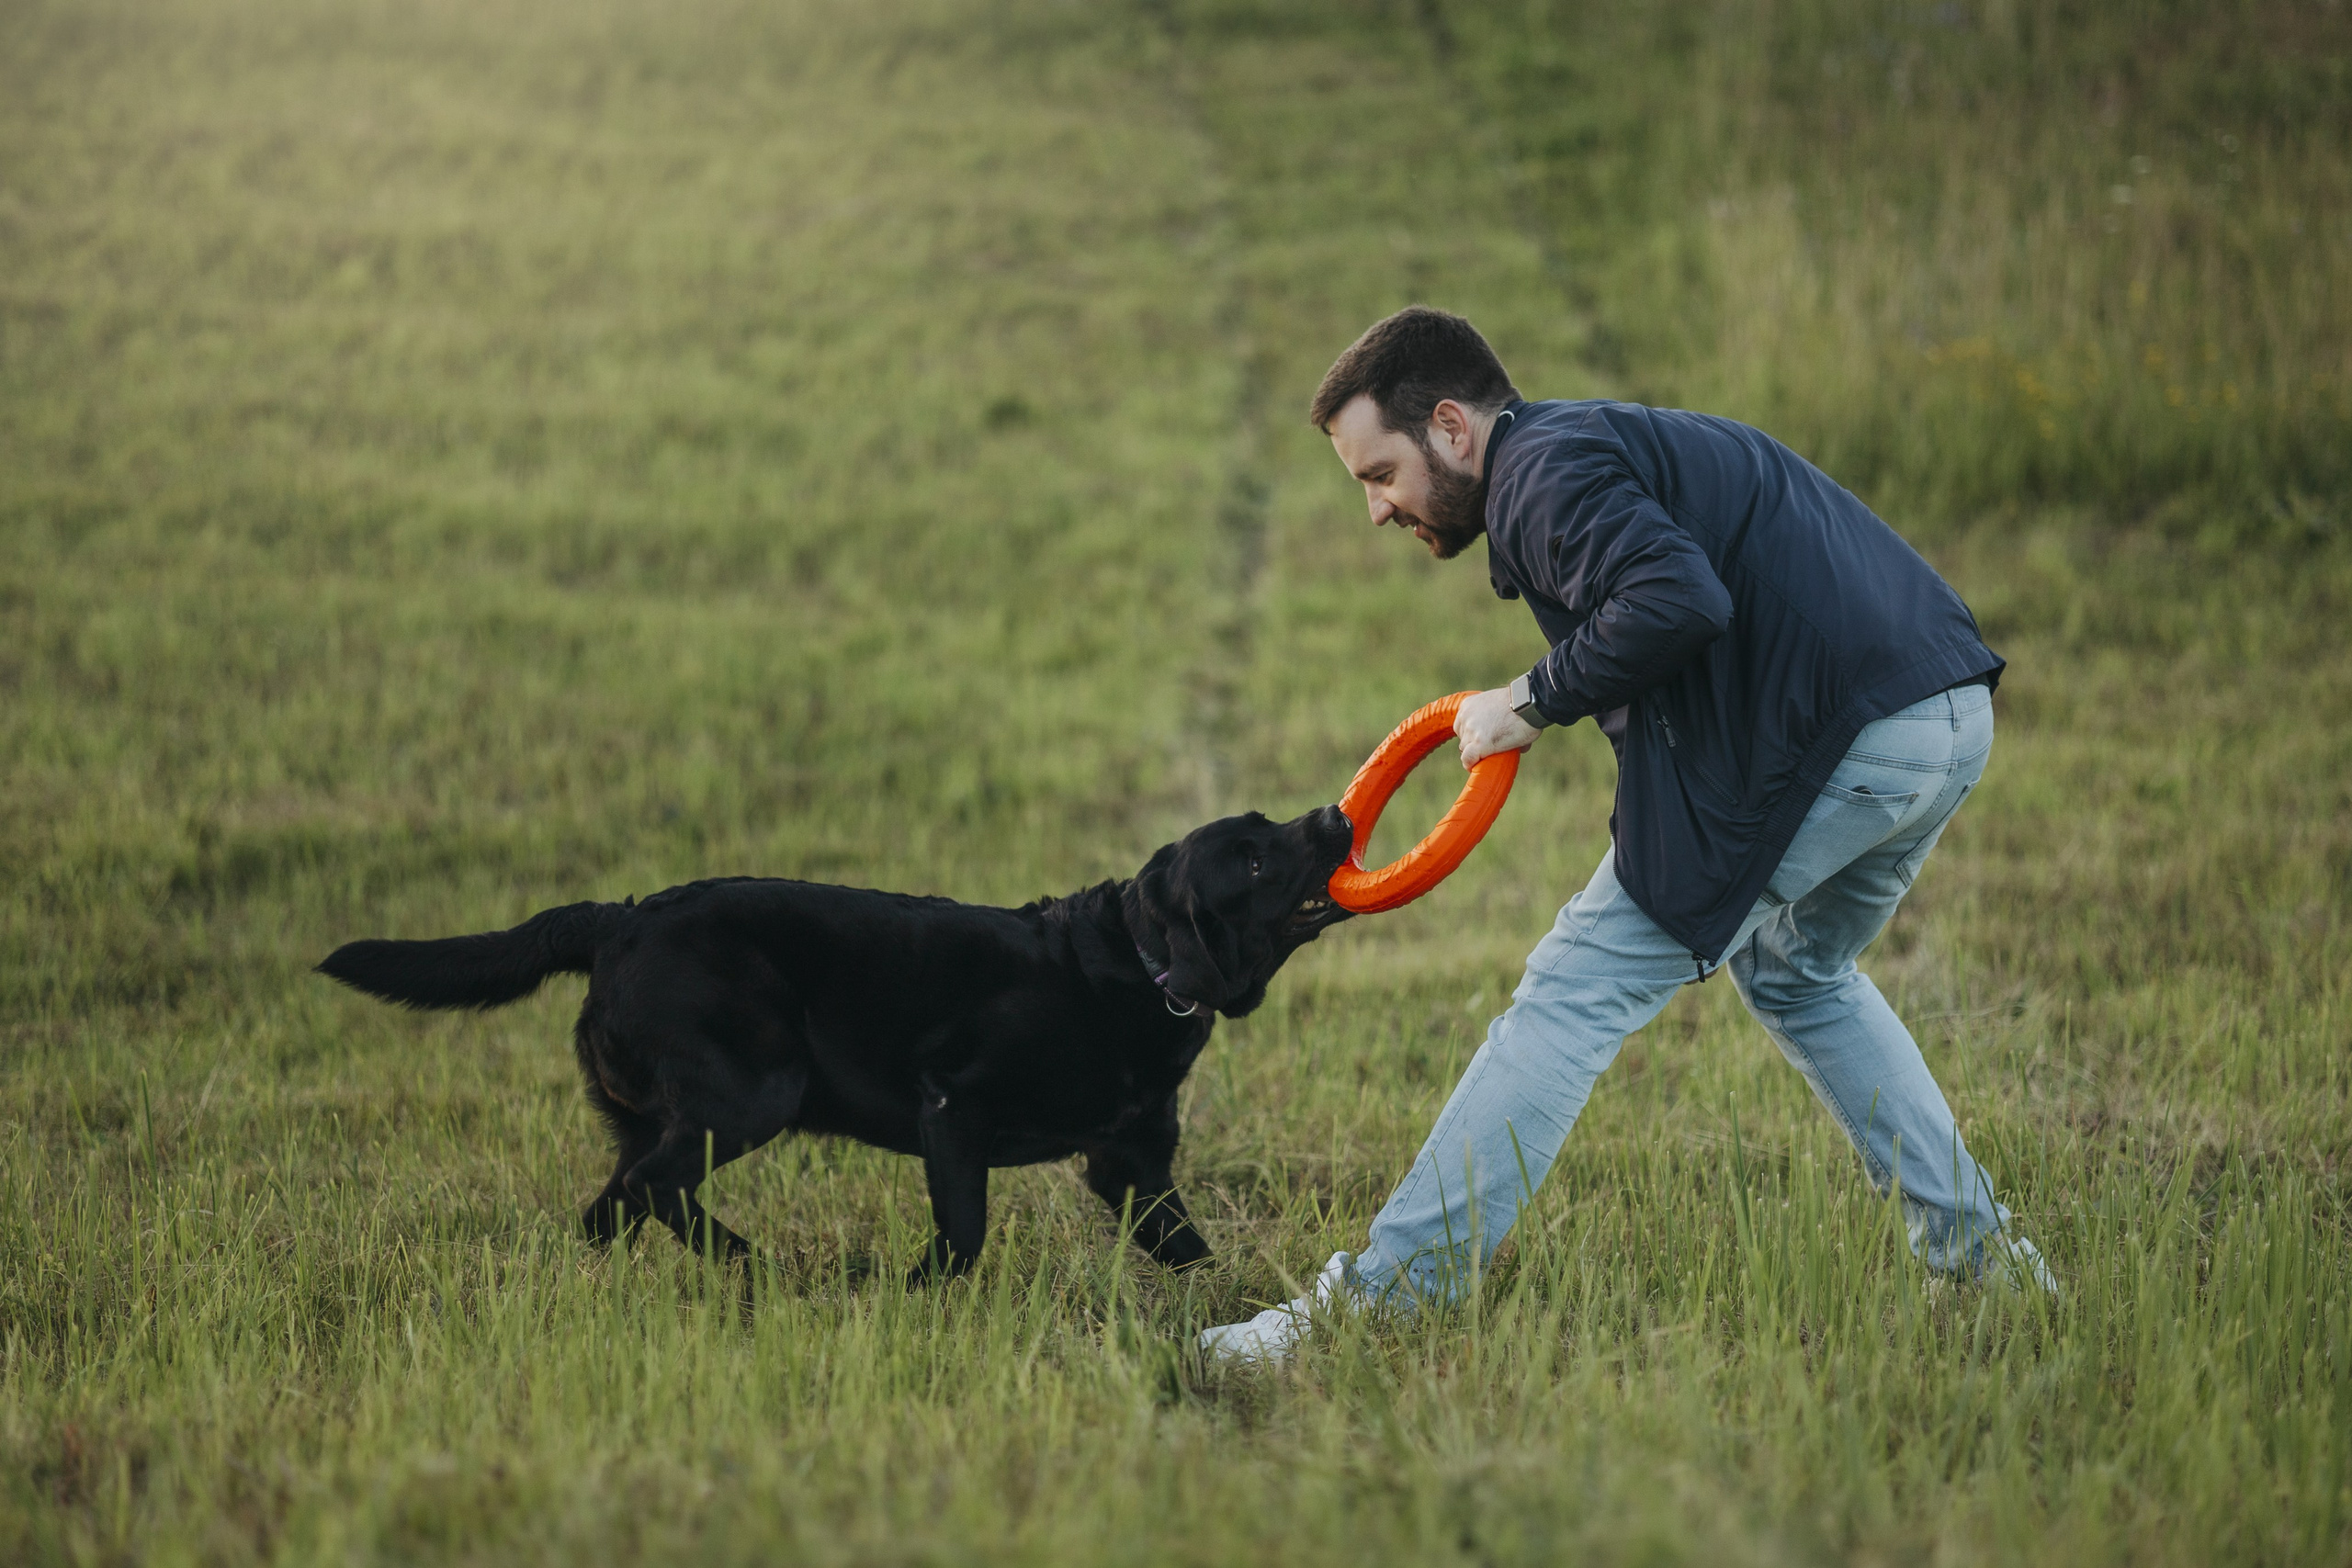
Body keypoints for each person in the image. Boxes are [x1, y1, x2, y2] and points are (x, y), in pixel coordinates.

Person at [1200, 307, 2053, 1361]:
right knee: (1798, 973)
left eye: (1381, 475)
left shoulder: (1542, 475)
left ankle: (1385, 1301)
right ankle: (1988, 1266)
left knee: (1570, 993)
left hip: (1843, 737)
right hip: (1944, 714)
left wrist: (1531, 698)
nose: (1376, 509)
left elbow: (1676, 598)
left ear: (1452, 428)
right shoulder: (1583, 446)